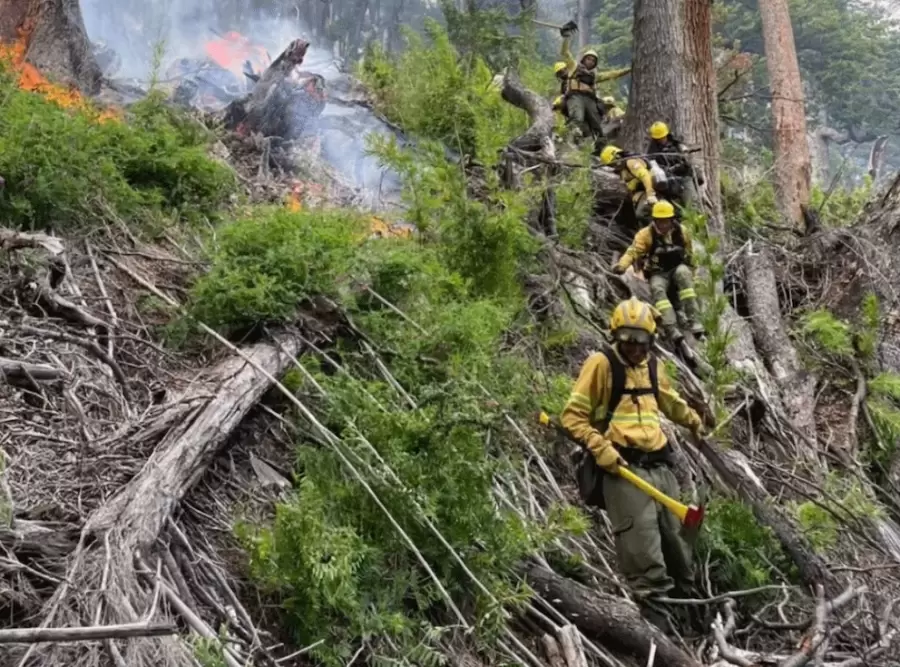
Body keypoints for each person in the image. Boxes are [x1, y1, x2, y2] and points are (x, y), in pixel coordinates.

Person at [560, 297, 705, 609]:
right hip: (623, 470)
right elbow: (571, 417)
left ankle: (690, 617)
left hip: (660, 467)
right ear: (615, 335)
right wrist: (600, 448)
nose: (635, 348)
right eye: (627, 341)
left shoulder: (654, 367)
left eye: (642, 342)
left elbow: (670, 400)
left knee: (679, 551)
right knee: (644, 556)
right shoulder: (601, 365)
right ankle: (659, 626)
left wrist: (694, 419)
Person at [613, 200, 704, 341]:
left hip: (678, 268)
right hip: (658, 272)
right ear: (654, 220)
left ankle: (694, 321)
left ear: (672, 220)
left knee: (685, 278)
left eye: (666, 221)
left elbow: (690, 255)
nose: (663, 225)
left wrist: (695, 275)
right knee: (657, 289)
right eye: (660, 221)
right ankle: (671, 328)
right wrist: (622, 265)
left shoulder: (682, 232)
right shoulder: (645, 235)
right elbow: (633, 251)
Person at [559, 21, 630, 144]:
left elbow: (613, 74)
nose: (590, 61)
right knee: (577, 118)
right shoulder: (574, 66)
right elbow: (565, 53)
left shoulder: (595, 76)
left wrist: (629, 69)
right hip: (575, 96)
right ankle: (568, 143)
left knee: (597, 124)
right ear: (584, 59)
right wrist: (566, 38)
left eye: (593, 60)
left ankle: (599, 146)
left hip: (590, 99)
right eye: (588, 59)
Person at [646, 121, 703, 207]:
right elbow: (651, 164)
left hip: (684, 176)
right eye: (658, 138)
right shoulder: (653, 151)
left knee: (692, 204)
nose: (661, 140)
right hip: (668, 181)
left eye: (662, 137)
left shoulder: (677, 144)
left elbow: (686, 157)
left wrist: (684, 159)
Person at [599, 144, 657, 220]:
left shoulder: (631, 162)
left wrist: (650, 194)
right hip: (640, 193)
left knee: (641, 214)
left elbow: (645, 176)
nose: (613, 166)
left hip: (651, 189)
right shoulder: (622, 170)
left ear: (617, 157)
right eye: (610, 165)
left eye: (612, 164)